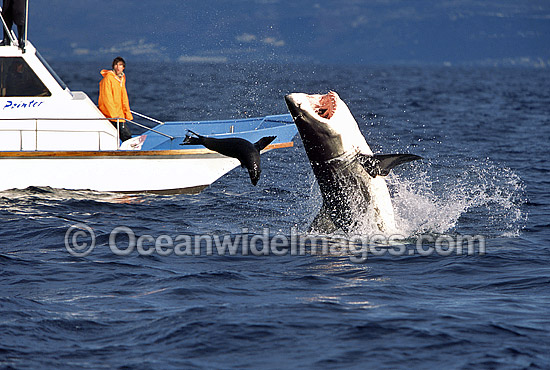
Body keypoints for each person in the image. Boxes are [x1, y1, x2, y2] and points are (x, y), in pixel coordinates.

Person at [98, 56, 133, 142]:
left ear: (123, 67)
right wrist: (114, 115)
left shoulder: (121, 79)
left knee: (123, 135)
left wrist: (126, 113)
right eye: (116, 65)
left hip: (119, 114)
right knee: (126, 136)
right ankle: (131, 153)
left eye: (120, 65)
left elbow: (124, 97)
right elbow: (107, 98)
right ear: (113, 66)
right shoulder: (108, 79)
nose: (118, 67)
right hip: (111, 115)